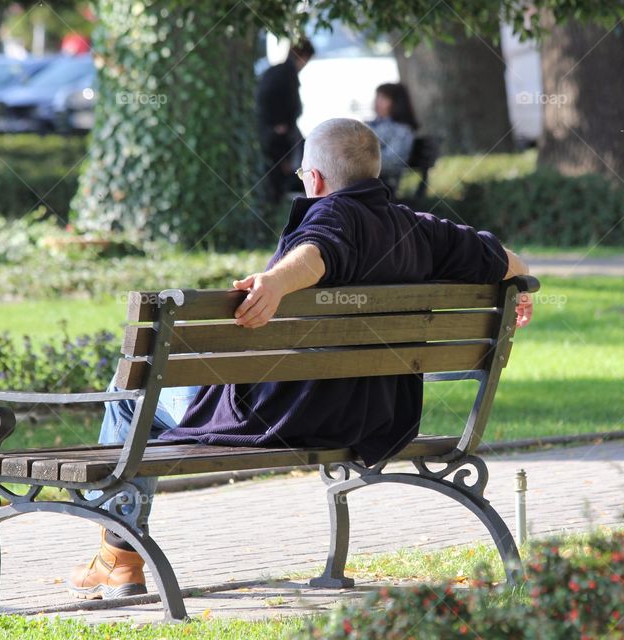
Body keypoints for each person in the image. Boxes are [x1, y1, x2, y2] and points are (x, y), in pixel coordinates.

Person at [68, 118, 532, 599]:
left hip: (281, 416)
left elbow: (319, 251)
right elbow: (505, 260)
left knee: (129, 395)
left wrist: (275, 281)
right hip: (372, 420)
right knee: (147, 392)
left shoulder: (332, 214)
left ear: (315, 178)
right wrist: (521, 287)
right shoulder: (419, 228)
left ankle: (118, 559)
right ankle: (117, 557)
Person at [256, 39, 315, 202]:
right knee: (282, 171)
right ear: (303, 56)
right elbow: (276, 100)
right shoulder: (287, 74)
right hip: (279, 133)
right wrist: (278, 122)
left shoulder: (277, 71)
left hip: (275, 130)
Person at [368, 83, 419, 196]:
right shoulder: (374, 125)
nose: (377, 102)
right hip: (370, 181)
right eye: (377, 97)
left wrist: (358, 162)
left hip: (382, 185)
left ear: (397, 103)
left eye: (384, 98)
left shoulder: (403, 130)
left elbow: (393, 162)